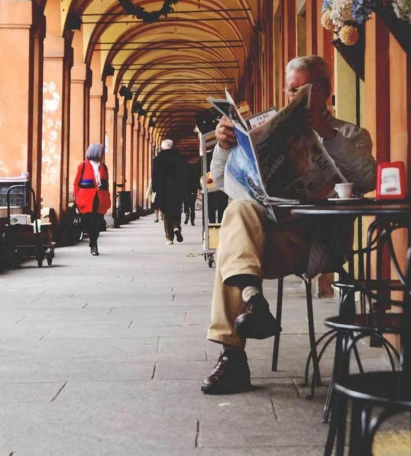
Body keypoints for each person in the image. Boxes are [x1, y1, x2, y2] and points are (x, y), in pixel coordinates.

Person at [201, 55, 377, 395]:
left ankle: (233, 354)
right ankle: (252, 300)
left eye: (305, 90)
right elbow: (223, 181)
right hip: (266, 241)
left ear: (324, 90)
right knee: (238, 210)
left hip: (313, 241)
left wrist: (327, 134)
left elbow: (367, 178)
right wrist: (224, 147)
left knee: (230, 253)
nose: (296, 98)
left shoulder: (352, 134)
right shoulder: (267, 131)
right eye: (292, 90)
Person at [73, 143, 111, 256]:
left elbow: (106, 184)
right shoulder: (83, 166)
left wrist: (107, 196)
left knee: (99, 222)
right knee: (89, 222)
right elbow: (76, 183)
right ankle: (93, 243)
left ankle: (93, 242)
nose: (103, 155)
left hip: (100, 199)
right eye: (102, 153)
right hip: (86, 199)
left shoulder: (104, 167)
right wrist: (77, 197)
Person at [152, 139, 189, 244]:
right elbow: (185, 175)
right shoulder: (180, 158)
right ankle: (176, 226)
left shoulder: (158, 160)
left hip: (163, 190)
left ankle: (169, 237)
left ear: (162, 147)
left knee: (166, 212)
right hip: (177, 189)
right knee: (177, 209)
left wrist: (155, 188)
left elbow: (154, 176)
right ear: (173, 147)